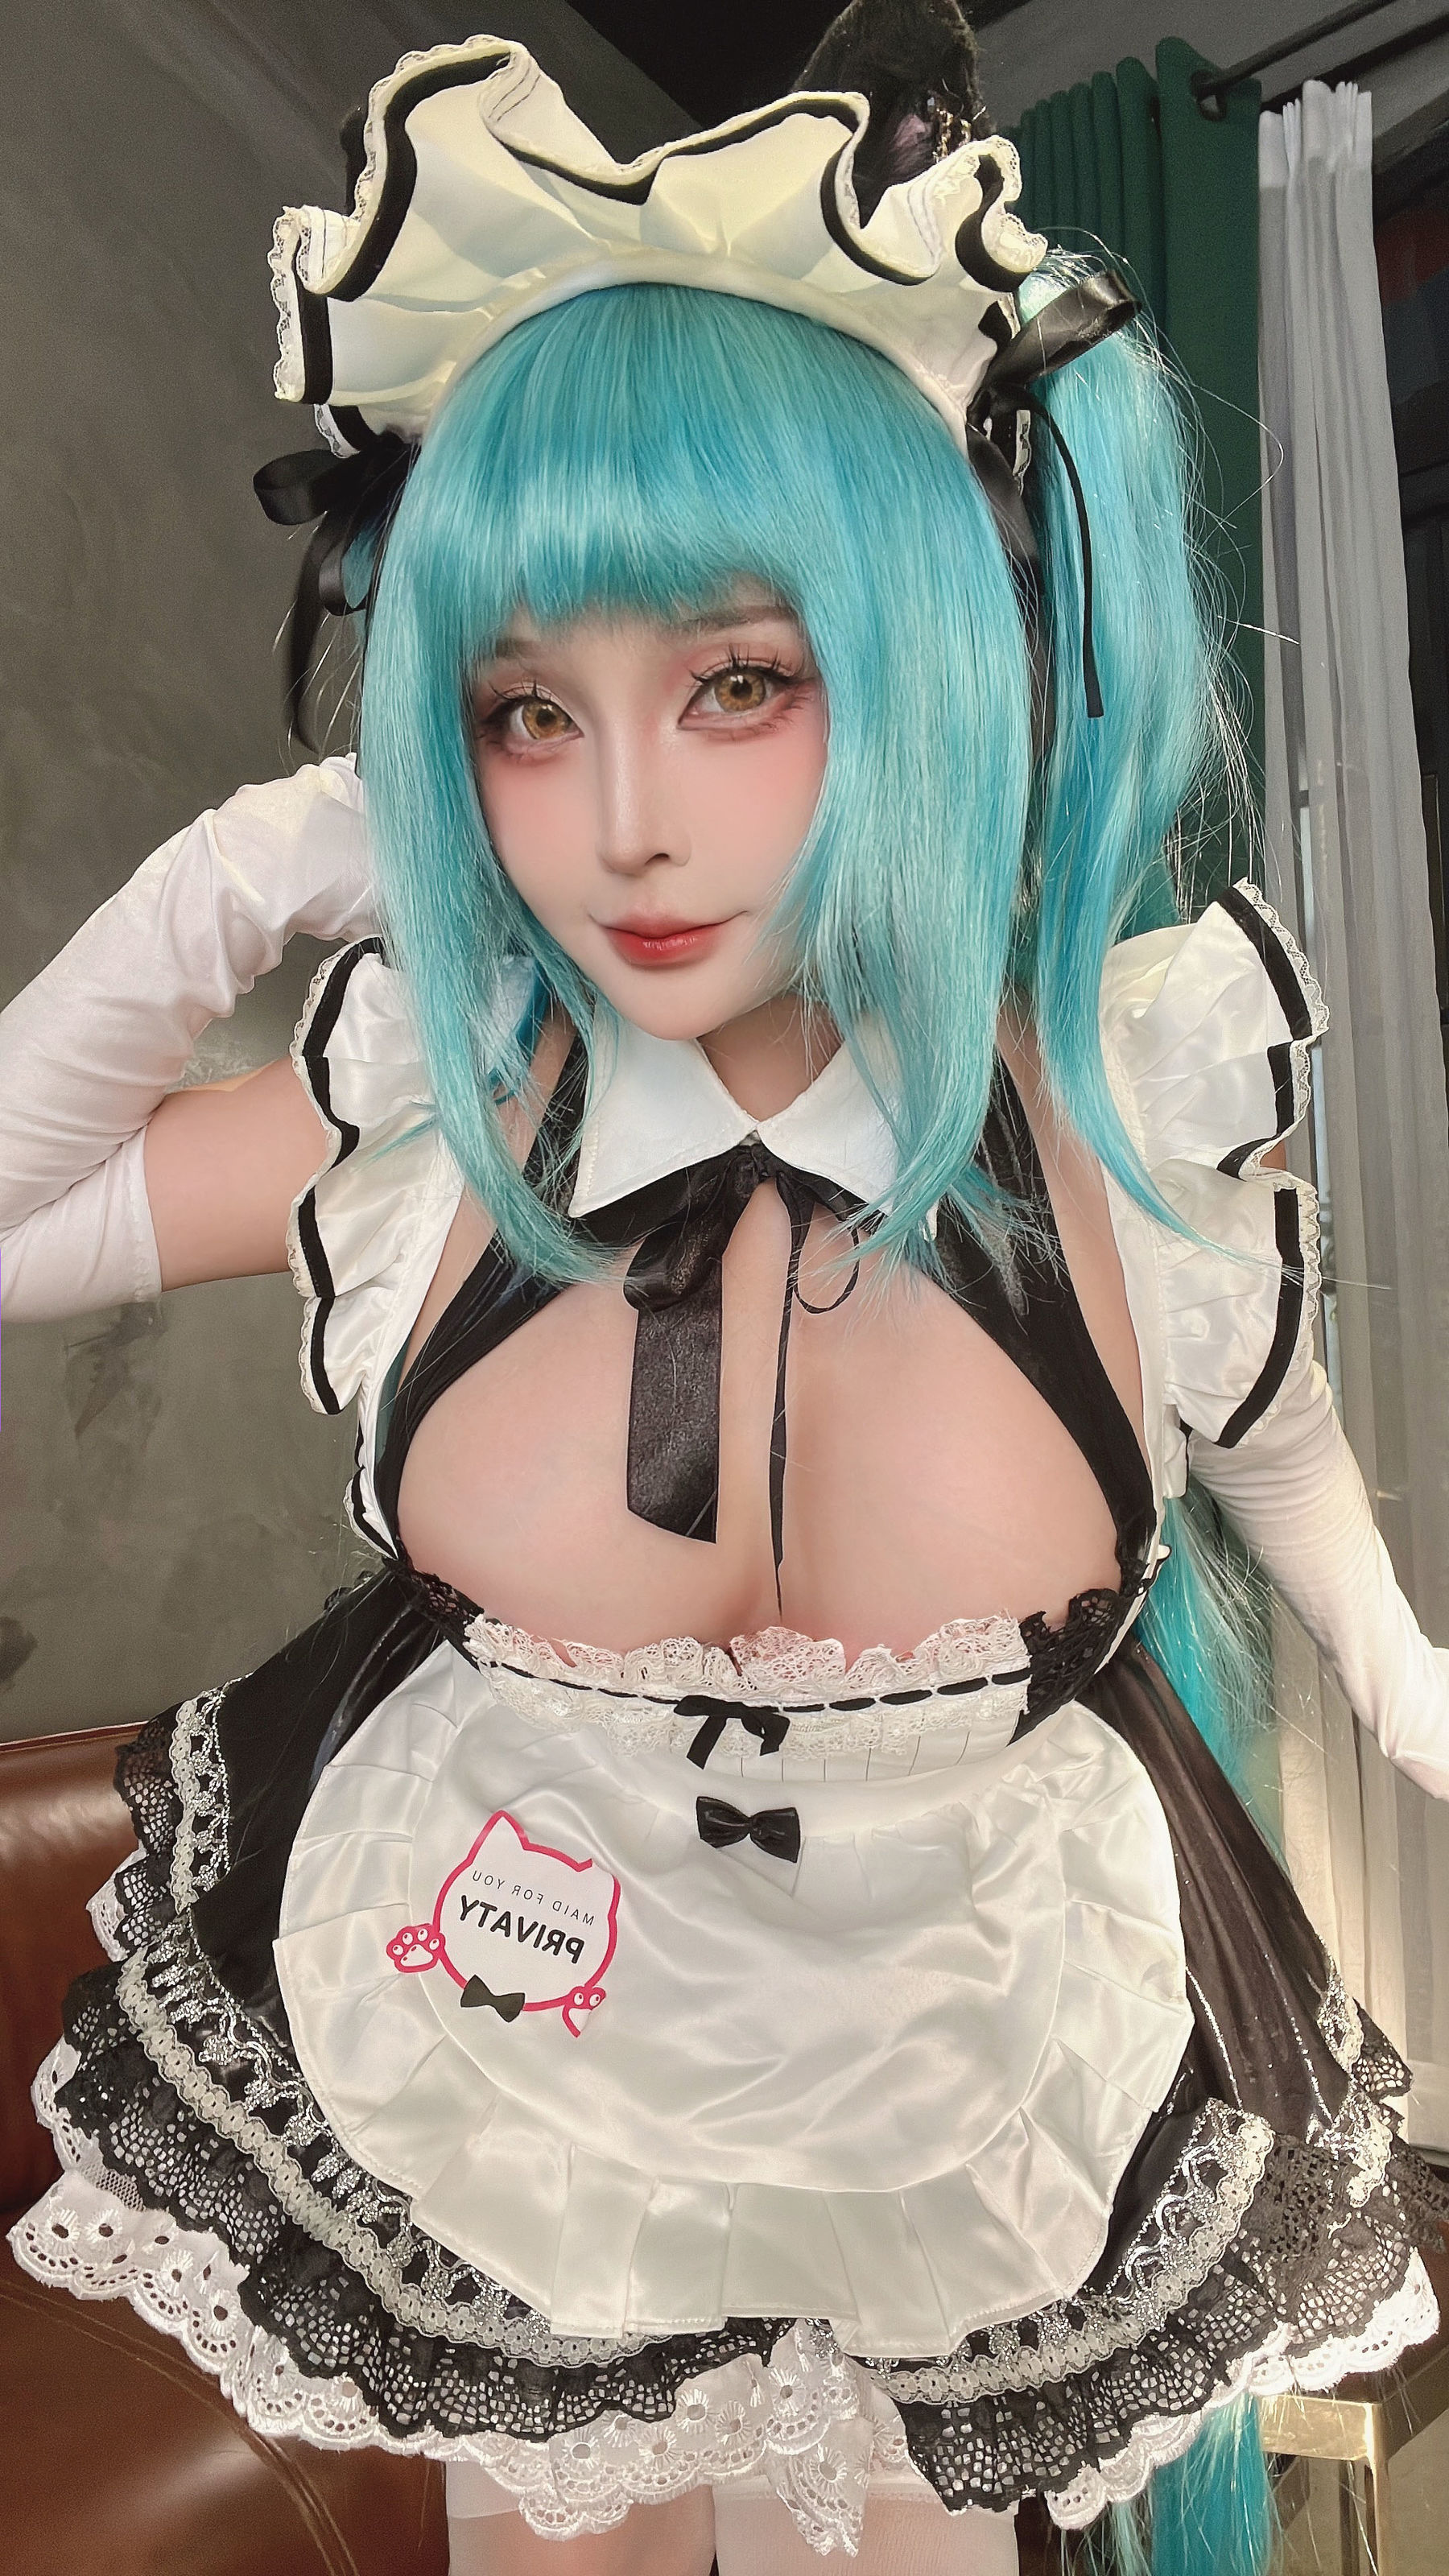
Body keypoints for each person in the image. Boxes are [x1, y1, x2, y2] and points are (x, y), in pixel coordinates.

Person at [4, 11, 1449, 2574]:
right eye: (520, 713)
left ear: (928, 658)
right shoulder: (438, 1124)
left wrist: (1411, 1682)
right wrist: (234, 875)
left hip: (957, 2073)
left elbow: (1276, 1435)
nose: (627, 827)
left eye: (739, 682)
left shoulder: (1120, 1116)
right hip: (523, 2056)